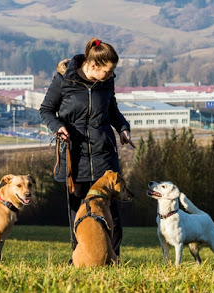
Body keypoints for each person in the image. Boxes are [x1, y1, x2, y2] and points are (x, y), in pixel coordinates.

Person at [39, 38, 134, 257]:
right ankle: (81, 257)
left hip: (104, 156)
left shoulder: (106, 83)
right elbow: (46, 110)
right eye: (108, 71)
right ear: (92, 66)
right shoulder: (64, 80)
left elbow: (112, 111)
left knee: (112, 212)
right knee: (78, 213)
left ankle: (114, 258)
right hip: (75, 156)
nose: (111, 75)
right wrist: (58, 126)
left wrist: (122, 128)